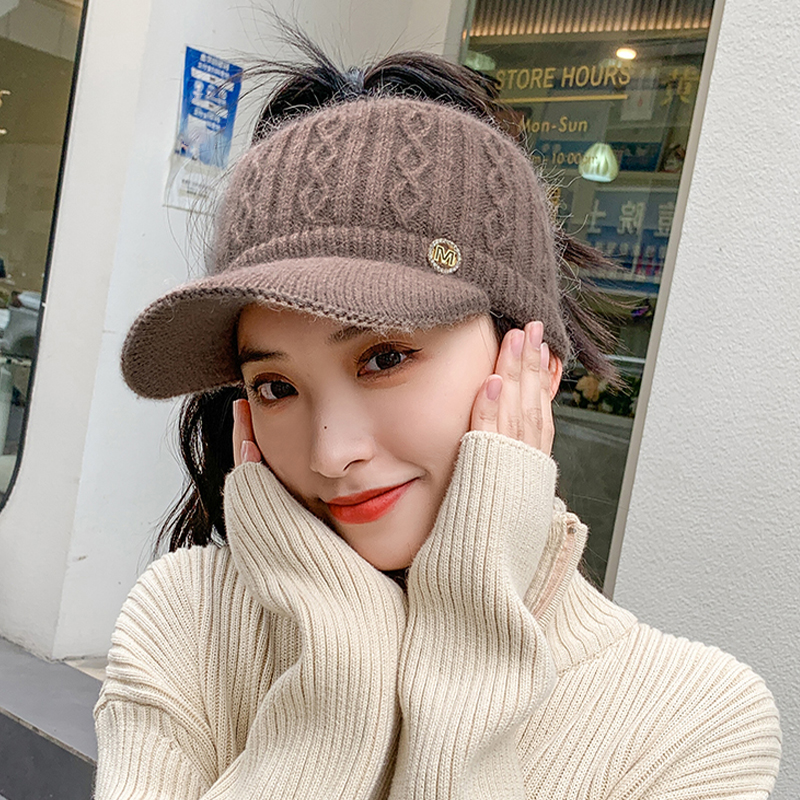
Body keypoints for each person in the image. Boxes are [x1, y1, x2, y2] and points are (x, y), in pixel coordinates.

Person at [94, 39, 781, 800]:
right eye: (276, 387)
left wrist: (471, 648)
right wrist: (338, 673)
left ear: (534, 362)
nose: (330, 454)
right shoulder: (190, 618)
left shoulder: (695, 720)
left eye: (385, 357)